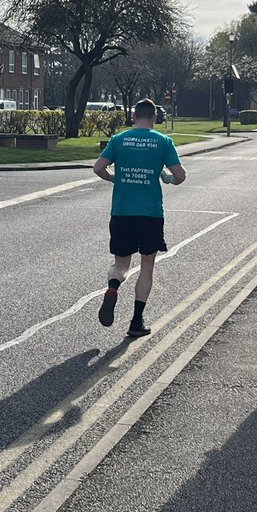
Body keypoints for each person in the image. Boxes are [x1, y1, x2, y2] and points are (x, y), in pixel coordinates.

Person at [93, 98, 186, 338]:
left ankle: (113, 286)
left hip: (122, 211)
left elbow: (98, 167)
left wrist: (115, 178)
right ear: (154, 118)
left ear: (134, 116)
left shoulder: (119, 139)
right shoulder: (163, 142)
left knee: (121, 264)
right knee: (147, 265)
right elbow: (180, 175)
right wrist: (167, 178)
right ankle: (136, 321)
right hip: (150, 213)